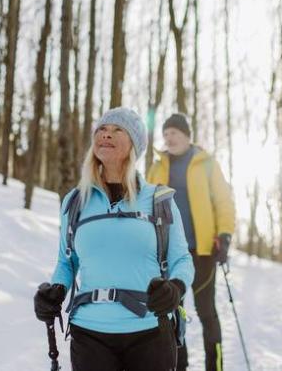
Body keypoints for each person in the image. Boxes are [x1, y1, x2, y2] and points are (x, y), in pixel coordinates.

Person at [33, 107, 195, 371]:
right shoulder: (75, 201)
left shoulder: (159, 199)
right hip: (89, 333)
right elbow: (66, 261)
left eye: (118, 130)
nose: (106, 135)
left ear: (134, 144)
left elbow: (182, 259)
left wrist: (175, 288)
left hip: (150, 330)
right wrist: (56, 291)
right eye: (102, 129)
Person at [146, 113, 236, 371]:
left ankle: (214, 367)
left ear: (186, 135)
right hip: (169, 253)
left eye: (174, 133)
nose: (169, 138)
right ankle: (179, 366)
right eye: (165, 134)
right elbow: (146, 204)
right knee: (173, 311)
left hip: (203, 251)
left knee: (206, 311)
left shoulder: (206, 163)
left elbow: (223, 201)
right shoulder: (157, 167)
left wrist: (225, 235)